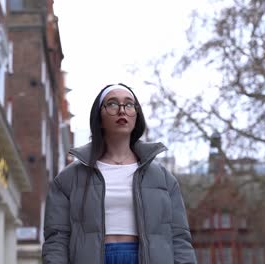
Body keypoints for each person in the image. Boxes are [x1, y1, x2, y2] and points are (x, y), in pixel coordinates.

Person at [42, 83, 196, 264]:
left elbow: (179, 238)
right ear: (99, 116)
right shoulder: (68, 180)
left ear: (136, 115)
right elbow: (57, 239)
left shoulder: (164, 179)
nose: (122, 110)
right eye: (113, 104)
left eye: (129, 104)